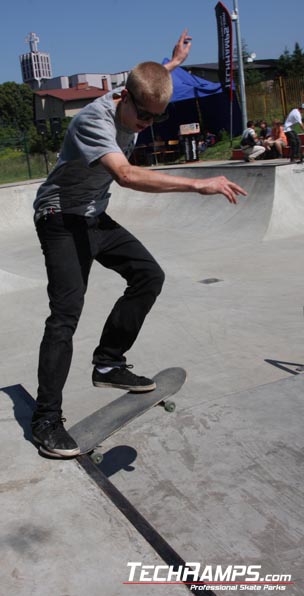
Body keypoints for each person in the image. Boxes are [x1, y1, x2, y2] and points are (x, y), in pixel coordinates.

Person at [31, 30, 247, 458]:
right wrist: (198, 186)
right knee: (66, 313)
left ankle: (109, 362)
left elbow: (151, 78)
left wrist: (173, 62)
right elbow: (127, 176)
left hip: (92, 215)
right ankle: (45, 421)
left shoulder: (132, 93)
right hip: (59, 219)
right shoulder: (93, 120)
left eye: (155, 120)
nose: (146, 126)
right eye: (143, 117)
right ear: (125, 100)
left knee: (149, 275)